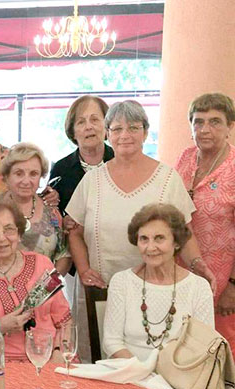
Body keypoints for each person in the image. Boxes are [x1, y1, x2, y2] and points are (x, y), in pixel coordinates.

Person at [66, 100, 216, 362]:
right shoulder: (92, 180)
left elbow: (185, 230)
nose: (125, 135)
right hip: (101, 290)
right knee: (103, 357)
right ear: (108, 134)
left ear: (146, 132)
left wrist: (197, 263)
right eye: (117, 129)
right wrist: (84, 269)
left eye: (133, 128)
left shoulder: (167, 178)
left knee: (155, 355)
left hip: (156, 290)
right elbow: (74, 230)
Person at [0, 200, 71, 362]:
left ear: (19, 234)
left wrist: (59, 351)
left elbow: (65, 321)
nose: (1, 238)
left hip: (46, 358)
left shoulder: (43, 264)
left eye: (9, 229)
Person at [104, 203, 214, 361]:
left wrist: (167, 373)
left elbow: (203, 345)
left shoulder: (198, 287)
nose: (150, 247)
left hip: (179, 373)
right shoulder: (121, 282)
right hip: (130, 371)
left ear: (176, 242)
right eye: (144, 239)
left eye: (159, 238)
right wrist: (143, 370)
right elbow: (111, 342)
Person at [175, 92, 235, 356]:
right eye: (198, 122)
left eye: (215, 122)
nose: (205, 129)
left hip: (223, 281)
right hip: (182, 273)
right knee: (183, 349)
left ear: (230, 126)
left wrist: (233, 286)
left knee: (221, 351)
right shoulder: (186, 158)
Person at [0, 143, 71, 276]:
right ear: (6, 176)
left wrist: (48, 285)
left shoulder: (52, 213)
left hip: (44, 287)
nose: (26, 181)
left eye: (33, 174)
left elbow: (63, 255)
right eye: (19, 173)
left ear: (41, 177)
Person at [50, 95, 114, 215]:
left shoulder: (122, 161)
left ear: (107, 126)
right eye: (81, 122)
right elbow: (53, 213)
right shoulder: (61, 169)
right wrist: (64, 221)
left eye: (94, 120)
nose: (88, 127)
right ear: (73, 132)